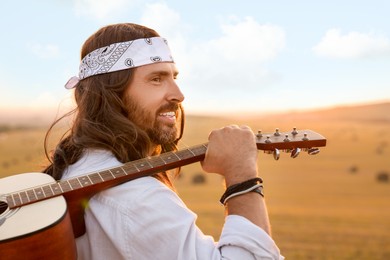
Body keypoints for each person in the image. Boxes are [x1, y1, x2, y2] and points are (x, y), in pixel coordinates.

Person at [44, 23, 284, 259]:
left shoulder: (85, 163)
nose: (179, 95)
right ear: (112, 93)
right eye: (156, 79)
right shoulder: (134, 197)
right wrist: (242, 177)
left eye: (174, 77)